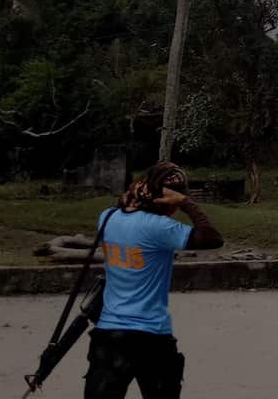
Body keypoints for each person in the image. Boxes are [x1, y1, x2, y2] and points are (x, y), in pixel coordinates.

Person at [85, 162, 224, 399]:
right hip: (151, 336)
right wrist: (186, 203)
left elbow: (124, 208)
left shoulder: (107, 218)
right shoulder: (160, 228)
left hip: (108, 334)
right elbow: (212, 238)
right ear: (166, 199)